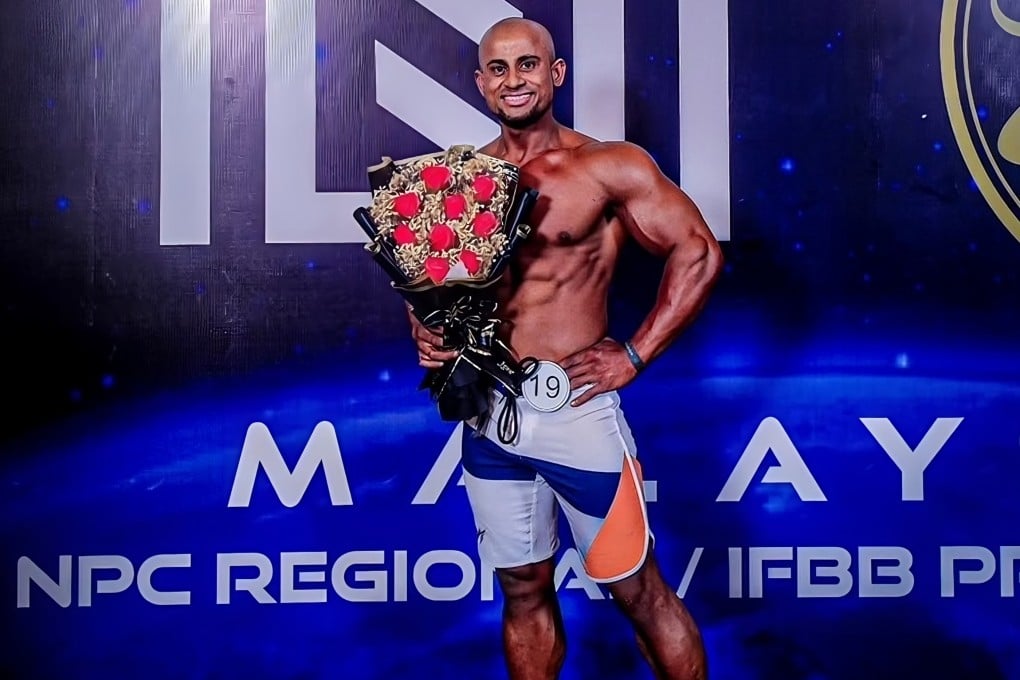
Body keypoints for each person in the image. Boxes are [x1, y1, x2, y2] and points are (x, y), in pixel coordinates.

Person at [408, 17, 723, 680]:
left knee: (639, 595)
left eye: (528, 65)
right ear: (480, 83)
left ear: (556, 74)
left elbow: (696, 251)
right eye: (498, 68)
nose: (513, 79)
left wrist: (634, 354)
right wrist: (430, 331)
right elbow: (436, 286)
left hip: (576, 411)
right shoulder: (462, 181)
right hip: (490, 413)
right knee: (522, 592)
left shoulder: (607, 166)